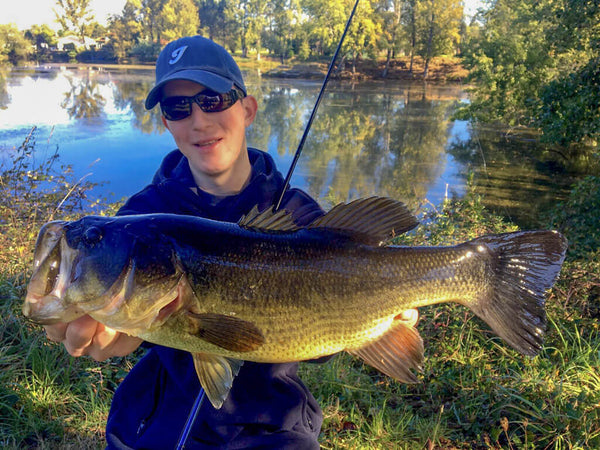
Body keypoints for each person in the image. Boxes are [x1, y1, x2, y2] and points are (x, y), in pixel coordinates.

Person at [43, 35, 326, 449]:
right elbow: (129, 318)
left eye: (213, 99)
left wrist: (380, 318)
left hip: (274, 424)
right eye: (178, 107)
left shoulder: (297, 215)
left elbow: (324, 346)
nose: (198, 120)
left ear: (247, 109)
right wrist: (116, 330)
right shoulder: (142, 217)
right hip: (162, 417)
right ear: (166, 123)